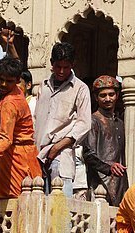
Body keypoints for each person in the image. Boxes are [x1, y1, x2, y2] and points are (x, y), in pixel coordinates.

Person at [0, 57, 41, 199]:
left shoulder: (10, 103)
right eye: (1, 79)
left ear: (18, 80)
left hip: (17, 159)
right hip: (8, 155)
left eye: (9, 81)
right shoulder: (8, 92)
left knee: (15, 203)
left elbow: (5, 138)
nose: (4, 84)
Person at [34, 42, 91, 197]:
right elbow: (36, 120)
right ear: (52, 63)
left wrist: (57, 147)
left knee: (60, 208)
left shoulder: (80, 88)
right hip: (38, 155)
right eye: (58, 66)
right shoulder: (43, 87)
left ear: (72, 65)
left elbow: (84, 124)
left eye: (66, 67)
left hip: (61, 156)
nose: (61, 71)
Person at [76, 75, 128, 206]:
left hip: (119, 183)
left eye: (111, 94)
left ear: (117, 95)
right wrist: (109, 168)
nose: (108, 99)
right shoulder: (93, 120)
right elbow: (88, 154)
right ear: (96, 98)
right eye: (103, 95)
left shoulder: (120, 122)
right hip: (99, 183)